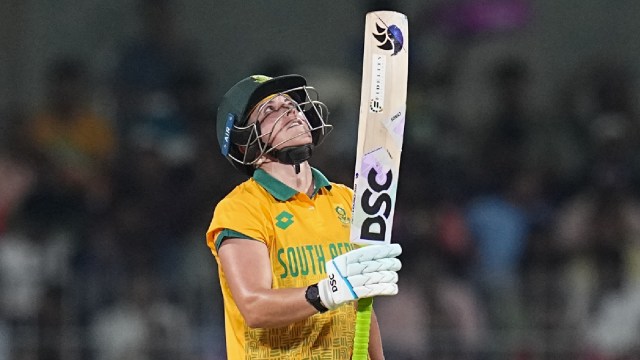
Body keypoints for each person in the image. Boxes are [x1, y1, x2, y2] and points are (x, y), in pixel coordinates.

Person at [206, 74, 402, 359]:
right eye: (269, 110)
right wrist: (329, 291)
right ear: (243, 142)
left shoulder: (349, 200)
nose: (290, 111)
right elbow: (254, 306)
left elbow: (362, 308)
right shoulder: (241, 208)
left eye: (290, 104)